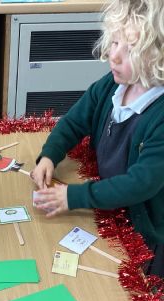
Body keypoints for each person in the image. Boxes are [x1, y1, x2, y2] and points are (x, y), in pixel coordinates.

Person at [31, 0, 164, 277]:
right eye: (114, 42)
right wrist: (49, 155)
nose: (113, 56)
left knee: (140, 289)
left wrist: (74, 196)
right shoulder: (112, 85)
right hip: (107, 209)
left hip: (146, 231)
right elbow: (74, 121)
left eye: (130, 50)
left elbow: (139, 184)